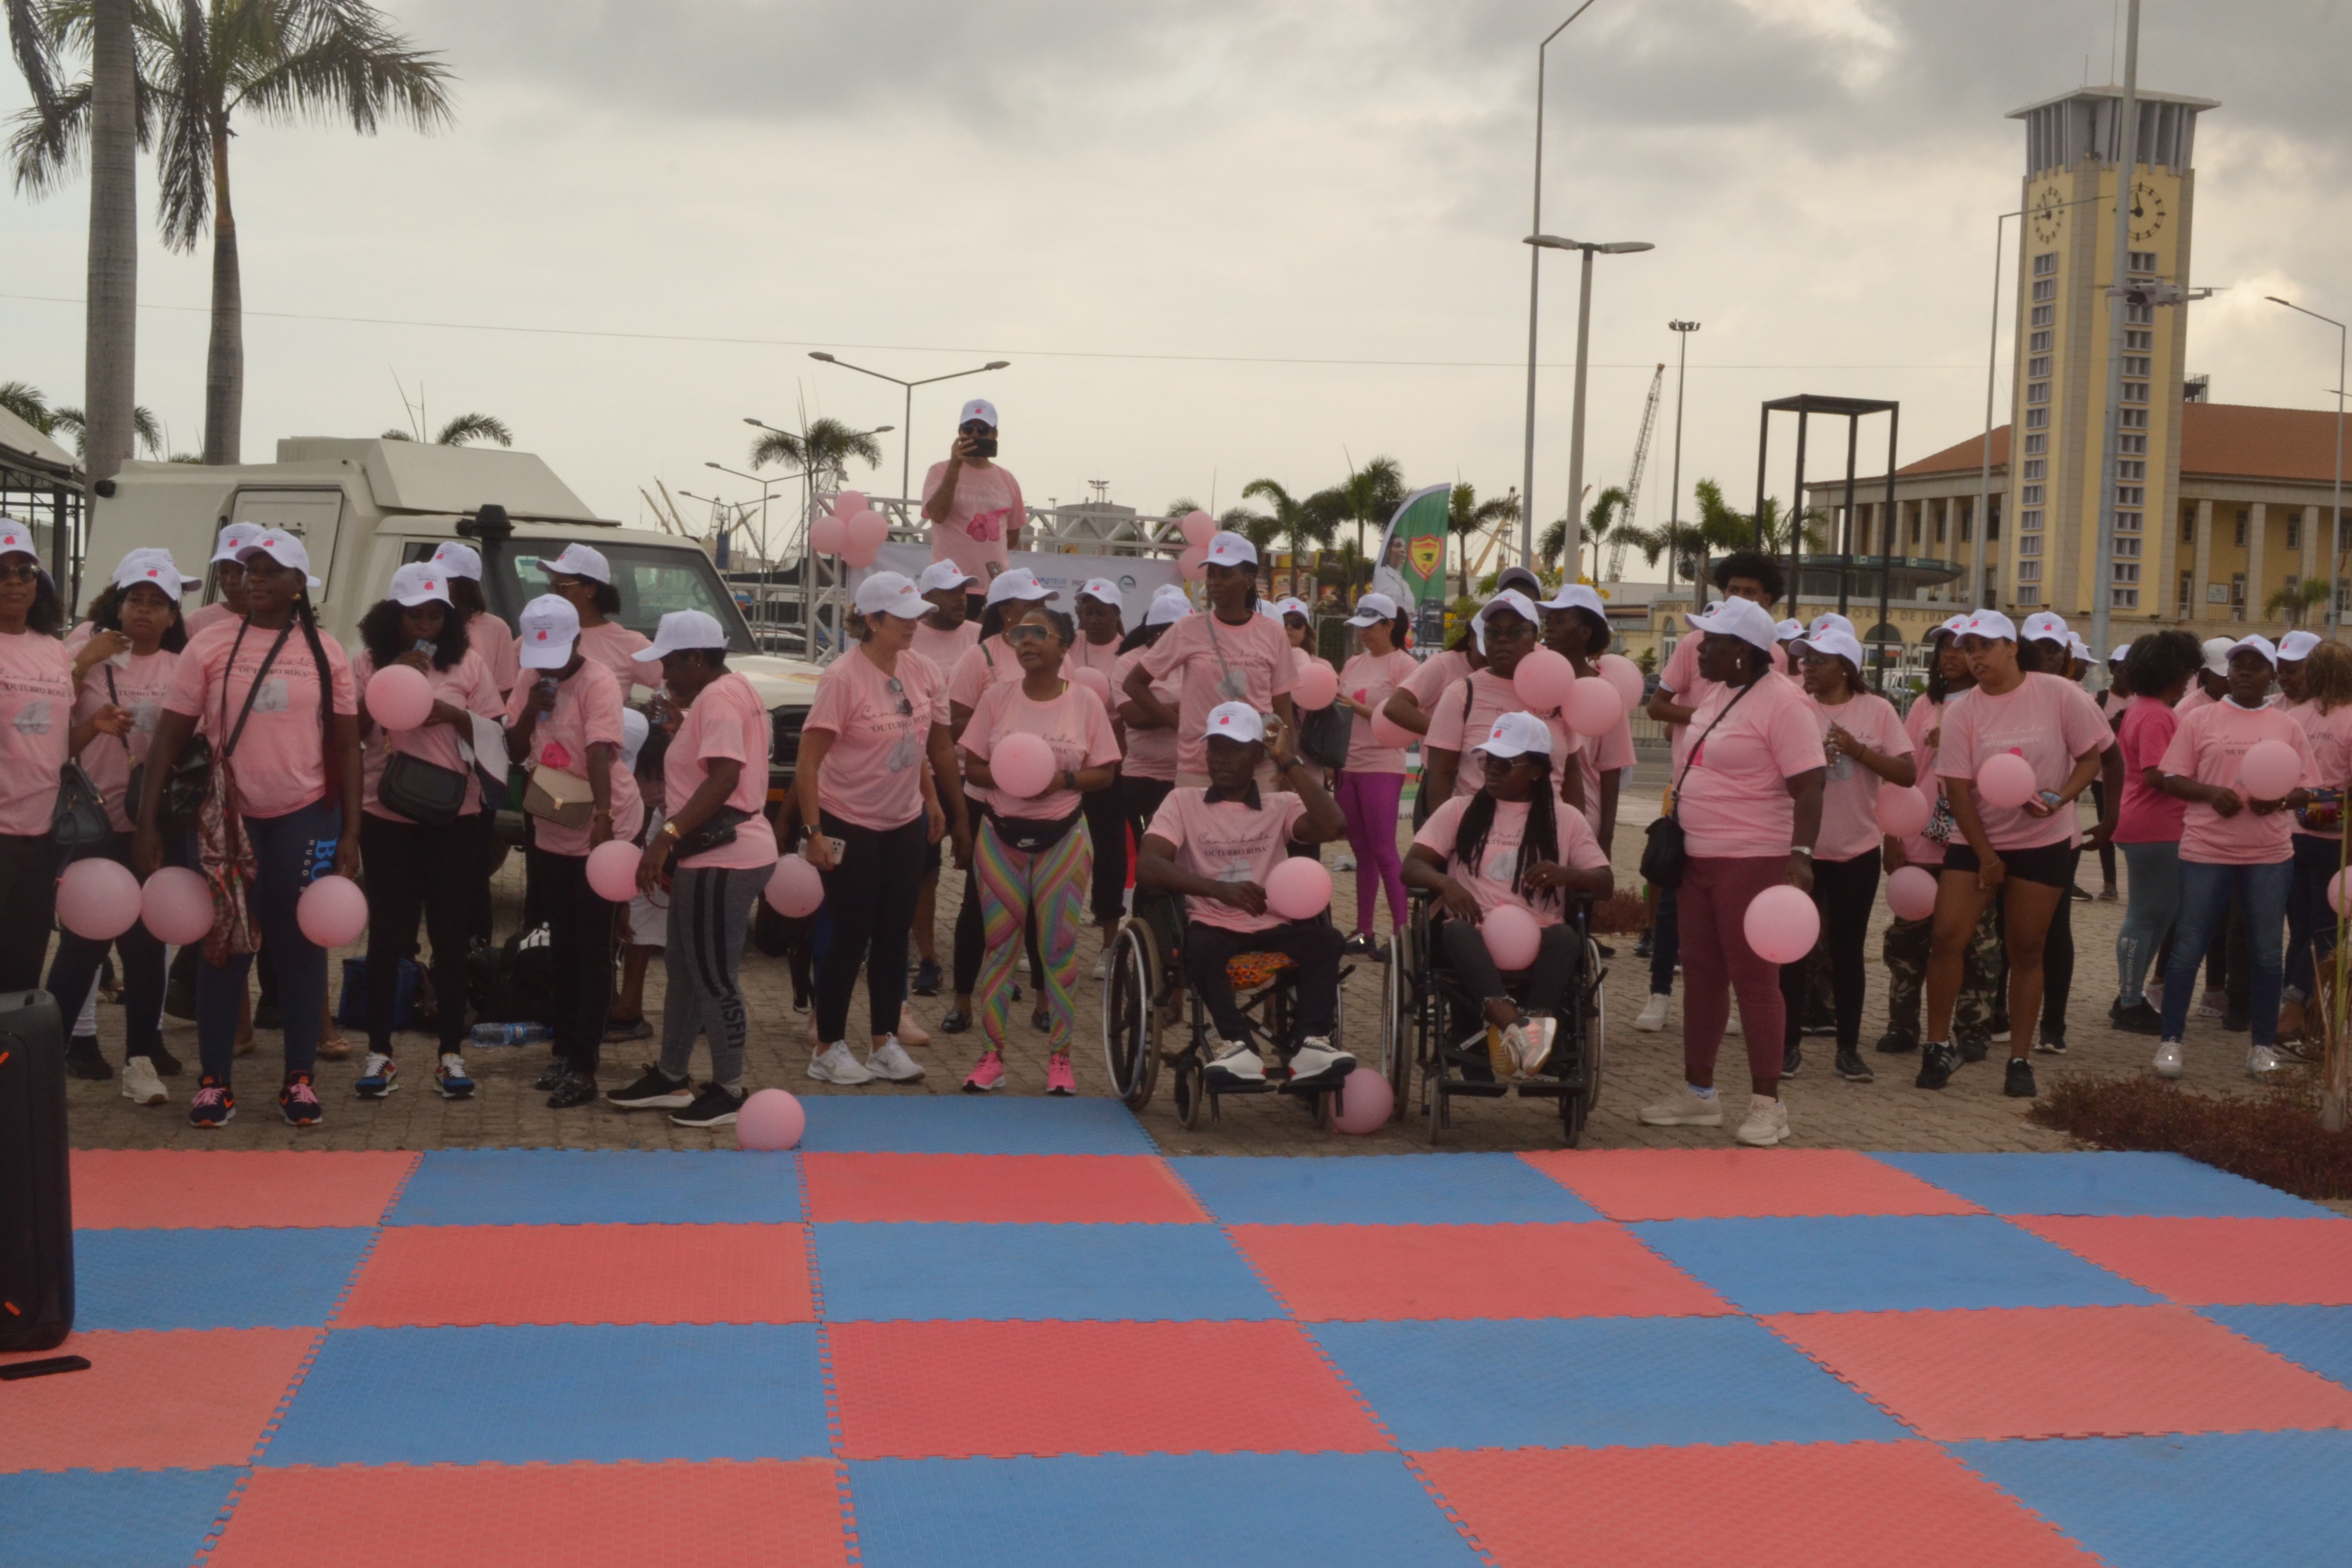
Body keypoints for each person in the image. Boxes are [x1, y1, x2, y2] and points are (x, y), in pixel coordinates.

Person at [137, 530, 362, 1129]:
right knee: (224, 946)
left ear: (299, 584)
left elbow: (347, 745)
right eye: (248, 569)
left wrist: (351, 833)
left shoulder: (327, 651)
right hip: (225, 822)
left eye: (269, 570)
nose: (254, 579)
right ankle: (215, 1083)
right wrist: (147, 823)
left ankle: (299, 1082)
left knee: (301, 946)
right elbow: (170, 738)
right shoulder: (209, 644)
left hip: (306, 815)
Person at [1633, 597, 1822, 1146]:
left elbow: (1810, 784)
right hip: (1697, 855)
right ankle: (1700, 1095)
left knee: (1755, 979)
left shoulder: (1785, 703)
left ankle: (1768, 1104)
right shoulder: (1717, 693)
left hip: (1753, 857)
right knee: (1702, 974)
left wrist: (1800, 854)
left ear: (1742, 649)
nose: (1698, 649)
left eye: (1710, 641)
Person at [1917, 610, 2115, 1099]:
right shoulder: (1962, 711)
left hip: (2042, 841)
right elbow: (1958, 791)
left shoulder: (2060, 694)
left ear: (2012, 647)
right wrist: (1987, 857)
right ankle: (1937, 1046)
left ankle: (2020, 1059)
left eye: (1985, 646)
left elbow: (2091, 758)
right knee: (1946, 938)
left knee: (2027, 948)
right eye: (1968, 649)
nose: (1975, 657)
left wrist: (2060, 798)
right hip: (1975, 839)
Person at [789, 572, 966, 1087]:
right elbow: (807, 762)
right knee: (850, 936)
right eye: (902, 617)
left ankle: (885, 1043)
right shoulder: (842, 678)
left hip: (904, 821)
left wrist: (931, 800)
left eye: (917, 616)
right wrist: (814, 832)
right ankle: (828, 1047)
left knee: (894, 935)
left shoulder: (923, 670)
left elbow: (919, 745)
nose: (914, 625)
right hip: (848, 820)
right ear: (871, 619)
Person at [608, 610, 778, 1126]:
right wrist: (685, 730)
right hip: (717, 851)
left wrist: (666, 837)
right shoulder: (732, 690)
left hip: (722, 856)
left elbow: (725, 777)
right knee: (685, 969)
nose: (662, 675)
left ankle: (729, 1089)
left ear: (698, 659)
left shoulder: (720, 699)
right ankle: (671, 1076)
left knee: (713, 977)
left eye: (670, 663)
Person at [347, 564, 503, 1102]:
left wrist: (451, 714)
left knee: (451, 934)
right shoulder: (367, 664)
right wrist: (390, 681)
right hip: (386, 813)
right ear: (392, 617)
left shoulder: (469, 664)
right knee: (388, 935)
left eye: (436, 615)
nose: (426, 625)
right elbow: (352, 734)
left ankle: (451, 1053)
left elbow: (495, 733)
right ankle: (379, 1051)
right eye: (415, 615)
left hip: (454, 816)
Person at [1136, 702, 1353, 1087]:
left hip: (1274, 923)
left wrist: (1288, 761)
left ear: (1257, 755)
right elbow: (1149, 865)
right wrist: (1218, 890)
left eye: (1234, 749)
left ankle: (1311, 1043)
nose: (1221, 759)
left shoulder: (1281, 804)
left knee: (1328, 940)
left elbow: (1335, 825)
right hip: (1211, 923)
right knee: (1199, 948)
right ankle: (1238, 1044)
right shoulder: (1182, 802)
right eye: (1215, 748)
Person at [955, 603, 1121, 1093]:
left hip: (1063, 839)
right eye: (1021, 634)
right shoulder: (997, 698)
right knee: (999, 947)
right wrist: (1011, 776)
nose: (1026, 641)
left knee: (1058, 949)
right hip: (1000, 837)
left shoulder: (1085, 702)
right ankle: (992, 1057)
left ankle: (1061, 1060)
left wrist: (1060, 780)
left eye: (1039, 633)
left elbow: (1106, 772)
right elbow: (973, 767)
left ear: (1064, 645)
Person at [1405, 712, 1614, 1077]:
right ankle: (1517, 1027)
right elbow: (1412, 865)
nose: (1492, 771)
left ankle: (1532, 1023)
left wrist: (1567, 874)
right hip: (1472, 935)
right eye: (1488, 762)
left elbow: (1605, 882)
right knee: (1456, 931)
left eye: (1505, 764)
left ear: (1535, 771)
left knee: (1566, 938)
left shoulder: (1565, 819)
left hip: (1539, 937)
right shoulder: (1459, 810)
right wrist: (1448, 885)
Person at [1634, 550, 1787, 1038]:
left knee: (1743, 919)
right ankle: (1660, 991)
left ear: (1769, 601)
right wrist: (1709, 720)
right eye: (1733, 590)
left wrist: (1731, 724)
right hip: (1687, 792)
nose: (1739, 598)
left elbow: (1780, 726)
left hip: (1748, 818)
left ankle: (1746, 1002)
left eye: (1751, 593)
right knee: (1671, 897)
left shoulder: (1776, 659)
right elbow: (1658, 707)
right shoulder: (1694, 645)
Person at [2150, 636, 2316, 1081]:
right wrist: (2210, 794)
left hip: (2269, 854)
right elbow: (2171, 777)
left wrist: (2280, 801)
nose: (2244, 672)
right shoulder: (2199, 718)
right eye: (2238, 664)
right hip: (2206, 850)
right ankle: (2171, 1041)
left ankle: (2261, 1047)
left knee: (2267, 952)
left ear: (2271, 675)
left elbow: (2307, 787)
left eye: (2255, 666)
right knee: (2189, 946)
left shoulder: (2287, 726)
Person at [46, 547, 177, 1093]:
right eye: (135, 600)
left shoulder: (179, 667)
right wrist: (82, 661)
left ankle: (140, 1060)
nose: (144, 611)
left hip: (149, 825)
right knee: (84, 945)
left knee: (147, 945)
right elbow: (45, 723)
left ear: (172, 616)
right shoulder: (86, 652)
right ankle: (45, 1060)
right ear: (118, 606)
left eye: (157, 603)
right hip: (90, 824)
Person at [505, 594, 643, 1110]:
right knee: (560, 944)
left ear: (578, 641)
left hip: (604, 824)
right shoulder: (530, 678)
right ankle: (563, 1052)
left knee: (592, 949)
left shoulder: (598, 681)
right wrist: (528, 711)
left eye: (556, 656)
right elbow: (515, 749)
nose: (548, 667)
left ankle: (585, 1067)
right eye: (539, 657)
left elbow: (599, 752)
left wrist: (604, 821)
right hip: (553, 820)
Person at [1788, 627, 1914, 1082]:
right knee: (1792, 950)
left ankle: (1848, 1050)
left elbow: (1907, 773)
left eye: (1818, 660)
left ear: (1846, 667)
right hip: (1801, 849)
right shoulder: (1794, 706)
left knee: (1847, 951)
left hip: (1856, 849)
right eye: (1805, 659)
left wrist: (1857, 750)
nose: (1807, 667)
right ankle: (1787, 1046)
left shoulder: (1877, 710)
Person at [1879, 617, 2001, 1060]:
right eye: (1944, 648)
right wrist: (1892, 835)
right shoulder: (1923, 705)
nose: (1951, 655)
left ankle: (1972, 1029)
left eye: (1961, 648)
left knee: (1976, 943)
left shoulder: (1992, 705)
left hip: (1971, 840)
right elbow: (1904, 774)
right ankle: (1903, 1025)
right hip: (1918, 838)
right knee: (1908, 942)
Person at [943, 568, 1057, 1032]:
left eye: (1043, 604)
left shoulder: (1054, 654)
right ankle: (963, 1001)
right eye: (1032, 604)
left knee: (1040, 904)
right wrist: (1005, 743)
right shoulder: (979, 658)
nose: (1041, 610)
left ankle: (1045, 1003)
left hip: (1045, 799)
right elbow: (954, 723)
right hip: (987, 796)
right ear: (1007, 612)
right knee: (977, 902)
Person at [1125, 532, 1298, 787]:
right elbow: (1133, 684)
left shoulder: (1273, 632)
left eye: (1225, 574)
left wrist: (1289, 769)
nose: (1215, 582)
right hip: (1199, 768)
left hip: (1257, 770)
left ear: (1249, 579)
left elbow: (1283, 710)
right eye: (1211, 574)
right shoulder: (1188, 629)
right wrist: (1179, 725)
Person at [2109, 629, 2201, 1035]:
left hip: (2151, 824)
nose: (2189, 680)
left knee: (2159, 914)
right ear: (2172, 672)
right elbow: (2156, 773)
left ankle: (2130, 995)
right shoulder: (2157, 715)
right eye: (2186, 672)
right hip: (2155, 826)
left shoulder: (2142, 708)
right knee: (2146, 915)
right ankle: (2129, 1001)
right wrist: (2204, 786)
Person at [1420, 590, 1584, 808]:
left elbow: (1571, 773)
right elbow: (1440, 774)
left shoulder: (1556, 691)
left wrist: (1577, 828)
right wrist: (1446, 829)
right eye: (1493, 632)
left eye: (1515, 632)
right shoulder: (1462, 694)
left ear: (1534, 637)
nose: (1503, 639)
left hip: (1544, 823)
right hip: (1478, 823)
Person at [906, 560, 982, 995]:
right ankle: (928, 959)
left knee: (985, 872)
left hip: (980, 773)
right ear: (927, 598)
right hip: (925, 775)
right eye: (951, 591)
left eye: (964, 591)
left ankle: (988, 960)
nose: (960, 599)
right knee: (925, 871)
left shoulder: (981, 638)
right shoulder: (908, 640)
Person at [1336, 592, 1417, 954]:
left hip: (1383, 764)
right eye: (1360, 626)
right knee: (1361, 851)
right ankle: (1364, 931)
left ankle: (1401, 935)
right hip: (1348, 763)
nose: (1364, 633)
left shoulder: (1404, 666)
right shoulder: (1353, 663)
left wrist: (1355, 707)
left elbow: (1399, 717)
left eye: (1371, 626)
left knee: (1384, 850)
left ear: (1389, 625)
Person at [2284, 638, 2352, 1038]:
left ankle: (2291, 1006)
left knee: (2300, 927)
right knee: (2327, 929)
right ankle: (2298, 1009)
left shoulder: (2295, 716)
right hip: (2336, 838)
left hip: (2293, 831)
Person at [1537, 582, 1632, 846]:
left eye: (1560, 621)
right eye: (1549, 620)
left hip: (1583, 824)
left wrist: (1606, 840)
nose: (1550, 628)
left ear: (1586, 632)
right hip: (1531, 817)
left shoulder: (1607, 694)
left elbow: (1611, 771)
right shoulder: (1533, 680)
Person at [1069, 578, 1133, 953]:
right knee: (1063, 854)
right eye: (1087, 611)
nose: (1092, 620)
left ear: (1116, 614)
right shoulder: (1067, 645)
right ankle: (1052, 941)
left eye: (1101, 613)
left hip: (1109, 768)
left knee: (1110, 854)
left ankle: (1109, 947)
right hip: (1067, 762)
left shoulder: (1127, 653)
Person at [1114, 589, 1188, 893]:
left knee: (1187, 856)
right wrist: (1188, 709)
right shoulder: (1129, 663)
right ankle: (1148, 913)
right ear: (1154, 633)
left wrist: (1157, 707)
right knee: (1151, 854)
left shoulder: (1197, 660)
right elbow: (1134, 716)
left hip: (1191, 777)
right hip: (1144, 780)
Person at [922, 397, 1025, 593]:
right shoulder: (939, 471)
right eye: (968, 429)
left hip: (994, 589)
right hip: (950, 588)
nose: (975, 435)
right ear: (960, 433)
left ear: (995, 435)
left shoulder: (1008, 479)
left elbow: (1012, 534)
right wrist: (955, 467)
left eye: (983, 430)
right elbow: (937, 515)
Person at [537, 543, 653, 694]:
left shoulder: (632, 644)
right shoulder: (539, 634)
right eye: (553, 587)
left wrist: (658, 706)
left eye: (562, 587)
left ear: (591, 589)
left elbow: (674, 683)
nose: (555, 595)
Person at [428, 540, 521, 696]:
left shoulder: (496, 629)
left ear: (467, 586)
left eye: (446, 581)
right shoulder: (422, 624)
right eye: (434, 579)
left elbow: (505, 690)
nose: (437, 586)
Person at [182, 521, 261, 639]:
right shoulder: (196, 622)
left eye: (242, 571)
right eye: (224, 571)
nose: (230, 581)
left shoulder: (281, 623)